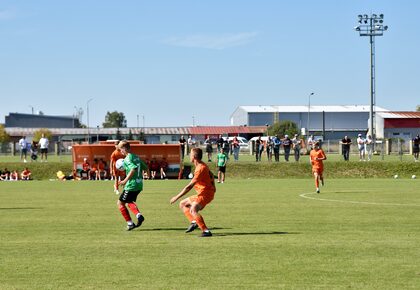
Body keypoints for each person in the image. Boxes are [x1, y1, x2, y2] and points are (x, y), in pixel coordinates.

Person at [170, 147, 216, 237]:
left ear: (194, 156)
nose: (189, 156)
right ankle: (194, 222)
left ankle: (206, 231)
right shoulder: (200, 166)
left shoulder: (200, 168)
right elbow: (211, 176)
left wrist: (176, 197)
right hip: (203, 193)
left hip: (205, 194)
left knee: (193, 209)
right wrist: (214, 187)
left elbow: (189, 187)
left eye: (190, 154)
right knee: (183, 204)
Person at [116, 140, 148, 231]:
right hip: (139, 185)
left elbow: (133, 169)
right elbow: (146, 167)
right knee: (128, 201)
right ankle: (138, 215)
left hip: (131, 185)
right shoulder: (136, 157)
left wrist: (124, 181)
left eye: (120, 149)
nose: (120, 152)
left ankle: (130, 223)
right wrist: (147, 175)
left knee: (120, 203)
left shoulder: (128, 158)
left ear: (124, 149)